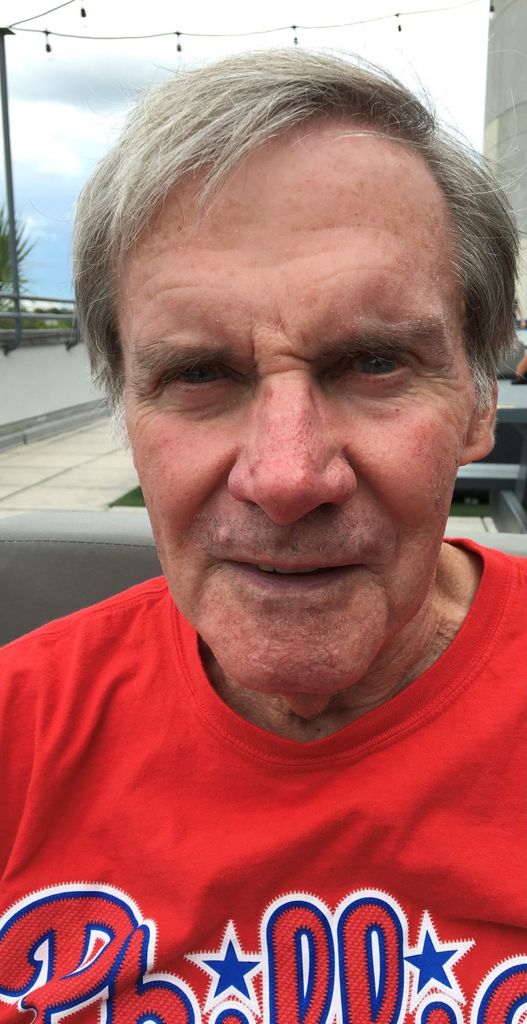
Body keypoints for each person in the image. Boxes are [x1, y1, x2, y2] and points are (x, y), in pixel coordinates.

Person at [1, 50, 526, 1024]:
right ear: (129, 414)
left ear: (478, 402)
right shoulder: (17, 735)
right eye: (200, 374)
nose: (286, 478)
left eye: (373, 361)